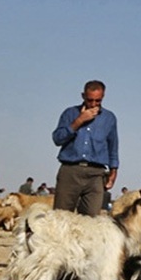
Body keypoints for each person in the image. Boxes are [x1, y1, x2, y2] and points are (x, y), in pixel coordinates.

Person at [52, 79, 119, 216]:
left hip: (96, 174)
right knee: (61, 218)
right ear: (83, 96)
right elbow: (57, 138)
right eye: (90, 100)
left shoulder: (109, 118)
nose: (93, 104)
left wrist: (113, 171)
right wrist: (79, 121)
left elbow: (113, 146)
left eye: (97, 101)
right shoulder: (69, 113)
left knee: (91, 221)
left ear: (103, 97)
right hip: (70, 171)